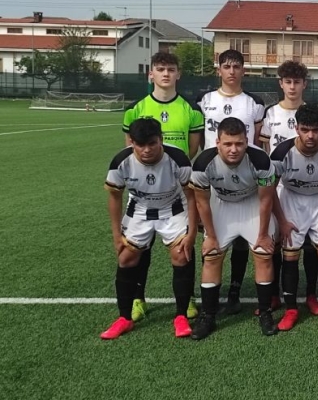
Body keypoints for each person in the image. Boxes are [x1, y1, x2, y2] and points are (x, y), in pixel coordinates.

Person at [122, 51, 203, 322]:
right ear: (151, 74)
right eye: (160, 69)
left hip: (177, 188)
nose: (165, 74)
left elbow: (192, 149)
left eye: (170, 69)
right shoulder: (136, 109)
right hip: (143, 191)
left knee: (184, 245)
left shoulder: (191, 109)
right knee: (139, 246)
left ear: (178, 74)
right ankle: (138, 298)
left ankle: (187, 298)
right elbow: (130, 149)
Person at [101, 118, 197, 339]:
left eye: (152, 143)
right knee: (126, 258)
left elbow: (191, 196)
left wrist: (191, 232)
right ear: (132, 143)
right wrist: (116, 235)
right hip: (140, 209)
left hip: (172, 208)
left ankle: (181, 316)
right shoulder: (121, 161)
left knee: (181, 254)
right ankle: (124, 318)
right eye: (140, 144)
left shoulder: (178, 158)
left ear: (160, 139)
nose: (146, 150)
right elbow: (115, 197)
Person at [189, 118, 278, 339]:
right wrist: (210, 236)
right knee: (211, 255)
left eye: (239, 143)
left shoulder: (261, 160)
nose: (233, 149)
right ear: (217, 142)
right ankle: (208, 315)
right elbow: (202, 203)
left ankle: (265, 312)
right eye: (227, 144)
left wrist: (263, 235)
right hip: (222, 204)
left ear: (246, 141)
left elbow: (266, 200)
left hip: (252, 204)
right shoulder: (202, 164)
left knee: (264, 254)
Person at [197, 49, 268, 315]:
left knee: (242, 241)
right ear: (218, 70)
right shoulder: (204, 100)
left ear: (243, 71)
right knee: (212, 242)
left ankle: (235, 292)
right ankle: (210, 302)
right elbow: (200, 141)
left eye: (236, 66)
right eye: (226, 66)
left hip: (246, 179)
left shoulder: (254, 103)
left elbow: (257, 141)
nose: (231, 71)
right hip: (216, 179)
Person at [270, 104, 318, 330]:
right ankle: (291, 309)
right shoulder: (281, 152)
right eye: (305, 130)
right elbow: (270, 189)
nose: (311, 136)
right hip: (292, 199)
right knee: (290, 255)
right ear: (296, 129)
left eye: (315, 130)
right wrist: (282, 221)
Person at [258, 60, 318, 317]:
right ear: (281, 84)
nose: (293, 87)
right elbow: (265, 150)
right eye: (288, 82)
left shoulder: (312, 114)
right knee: (277, 242)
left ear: (305, 84)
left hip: (308, 186)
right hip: (279, 187)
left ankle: (311, 294)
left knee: (310, 243)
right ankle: (275, 294)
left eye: (297, 82)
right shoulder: (271, 114)